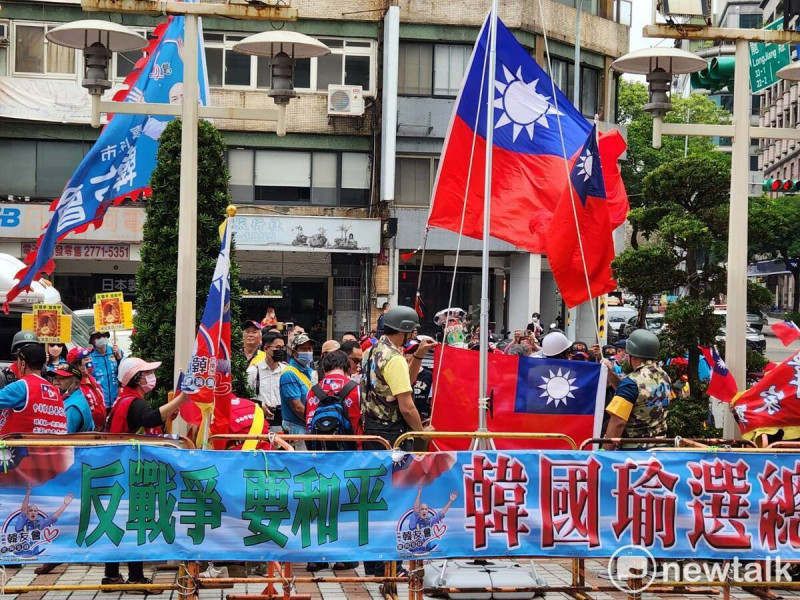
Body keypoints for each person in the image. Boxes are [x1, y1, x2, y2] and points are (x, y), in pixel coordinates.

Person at [104, 356, 191, 590]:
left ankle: (112, 576)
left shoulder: (126, 401)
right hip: (130, 472)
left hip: (119, 471)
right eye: (146, 373)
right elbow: (148, 418)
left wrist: (167, 414)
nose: (150, 376)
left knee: (120, 521)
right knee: (136, 520)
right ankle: (135, 577)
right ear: (135, 378)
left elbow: (146, 424)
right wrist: (183, 398)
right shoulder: (133, 402)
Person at [603, 329, 671, 449]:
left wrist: (603, 453)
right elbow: (636, 395)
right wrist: (610, 373)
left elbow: (618, 422)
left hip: (634, 451)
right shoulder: (664, 375)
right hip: (661, 447)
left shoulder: (631, 383)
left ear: (632, 355)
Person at [0, 343, 67, 435]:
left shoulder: (21, 386)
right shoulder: (54, 390)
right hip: (50, 446)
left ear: (23, 364)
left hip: (21, 447)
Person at [279, 332, 315, 450]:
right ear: (294, 353)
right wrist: (313, 422)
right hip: (296, 429)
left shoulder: (310, 371)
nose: (308, 352)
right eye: (304, 349)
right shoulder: (289, 374)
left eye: (310, 349)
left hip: (308, 426)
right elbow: (297, 407)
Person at [247, 331, 286, 431]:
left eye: (282, 348)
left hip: (282, 422)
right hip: (259, 421)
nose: (280, 351)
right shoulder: (253, 371)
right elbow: (245, 398)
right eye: (277, 347)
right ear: (265, 348)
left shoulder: (286, 371)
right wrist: (260, 405)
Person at [68, 347, 107, 430]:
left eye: (90, 358)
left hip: (101, 432)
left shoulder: (91, 378)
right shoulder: (74, 386)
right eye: (86, 359)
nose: (90, 361)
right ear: (76, 365)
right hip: (86, 434)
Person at [50, 363, 94, 433]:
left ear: (76, 384)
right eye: (55, 378)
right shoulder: (72, 397)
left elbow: (62, 439)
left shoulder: (72, 408)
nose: (56, 382)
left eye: (62, 378)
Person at [89, 331, 123, 408]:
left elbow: (125, 372)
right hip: (100, 402)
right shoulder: (89, 356)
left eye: (104, 336)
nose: (102, 338)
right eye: (98, 337)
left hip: (118, 400)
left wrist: (119, 358)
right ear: (92, 340)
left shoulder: (116, 352)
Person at [404, 340, 433, 424]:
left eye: (416, 351)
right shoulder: (401, 374)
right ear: (404, 355)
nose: (414, 354)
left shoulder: (429, 375)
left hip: (423, 419)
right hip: (404, 419)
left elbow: (433, 399)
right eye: (411, 352)